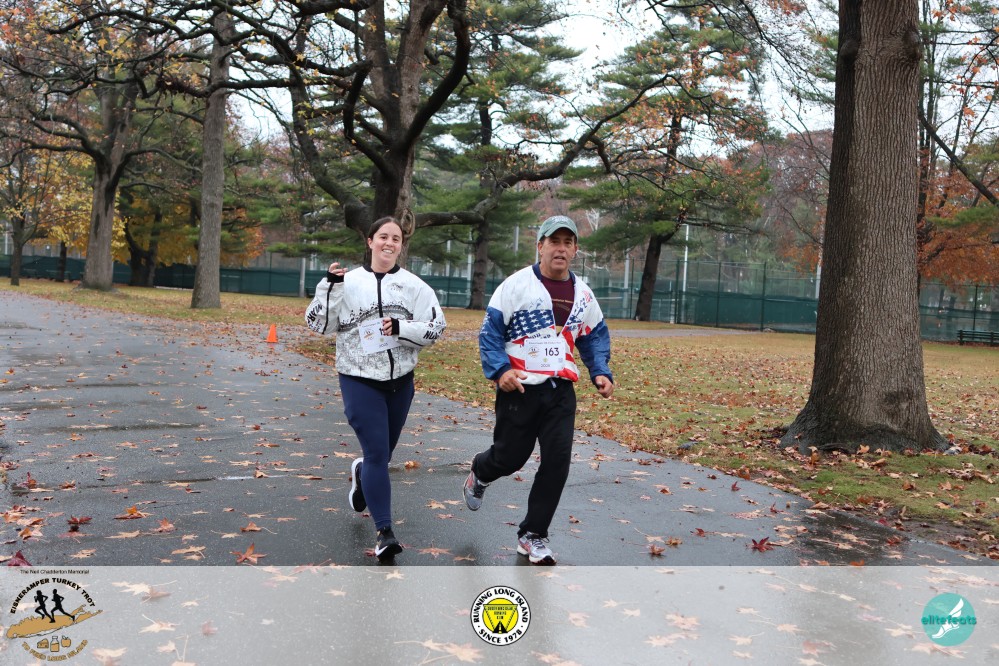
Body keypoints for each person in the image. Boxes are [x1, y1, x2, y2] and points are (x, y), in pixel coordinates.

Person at [465, 215, 614, 565]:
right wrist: (501, 370)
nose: (560, 249)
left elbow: (593, 336)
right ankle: (481, 471)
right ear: (540, 246)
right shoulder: (516, 286)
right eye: (554, 242)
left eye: (567, 243)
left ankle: (533, 534)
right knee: (510, 457)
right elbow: (490, 334)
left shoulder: (583, 294)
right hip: (519, 388)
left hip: (560, 390)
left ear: (575, 250)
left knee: (557, 461)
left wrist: (600, 371)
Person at [306, 216, 446, 561]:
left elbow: (436, 329)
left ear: (401, 245)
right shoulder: (347, 282)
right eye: (383, 236)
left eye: (396, 238)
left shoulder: (415, 287)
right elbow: (318, 325)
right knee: (377, 455)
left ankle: (361, 474)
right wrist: (330, 288)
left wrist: (401, 328)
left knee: (381, 456)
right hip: (358, 379)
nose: (389, 243)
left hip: (400, 383)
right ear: (370, 241)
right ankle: (385, 532)